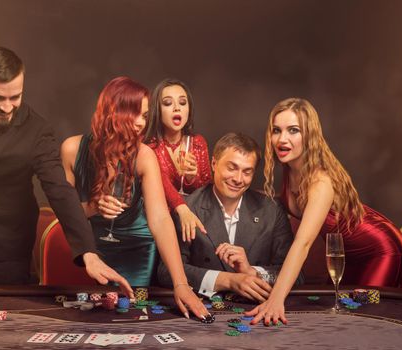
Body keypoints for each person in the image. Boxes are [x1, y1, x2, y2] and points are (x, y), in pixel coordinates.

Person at [0, 47, 132, 296]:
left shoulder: (38, 132)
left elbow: (60, 190)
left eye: (15, 97)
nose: (7, 107)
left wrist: (89, 253)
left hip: (8, 245)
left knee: (6, 324)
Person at [247, 97, 402, 325]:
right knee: (337, 318)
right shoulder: (291, 167)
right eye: (276, 130)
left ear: (309, 134)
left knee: (363, 322)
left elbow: (302, 243)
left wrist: (276, 299)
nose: (282, 139)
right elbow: (279, 203)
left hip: (380, 250)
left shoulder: (320, 181)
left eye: (293, 130)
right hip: (344, 255)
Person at [61, 76, 208, 319]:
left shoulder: (144, 155)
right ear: (113, 113)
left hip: (138, 249)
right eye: (135, 115)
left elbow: (160, 220)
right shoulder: (71, 150)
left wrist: (180, 284)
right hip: (94, 249)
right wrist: (92, 207)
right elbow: (66, 212)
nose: (142, 123)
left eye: (145, 115)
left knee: (131, 316)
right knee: (101, 318)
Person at [157, 133, 298, 301]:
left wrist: (251, 271)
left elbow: (297, 275)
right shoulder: (187, 209)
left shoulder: (272, 210)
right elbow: (165, 272)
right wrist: (227, 280)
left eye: (247, 172)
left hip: (257, 310)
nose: (238, 179)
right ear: (214, 164)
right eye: (231, 168)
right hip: (203, 309)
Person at [144, 78, 211, 242]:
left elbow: (207, 191)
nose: (177, 108)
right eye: (167, 103)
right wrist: (182, 209)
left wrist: (191, 178)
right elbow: (159, 183)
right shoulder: (149, 146)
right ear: (157, 110)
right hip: (157, 223)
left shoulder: (198, 143)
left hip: (192, 222)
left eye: (182, 103)